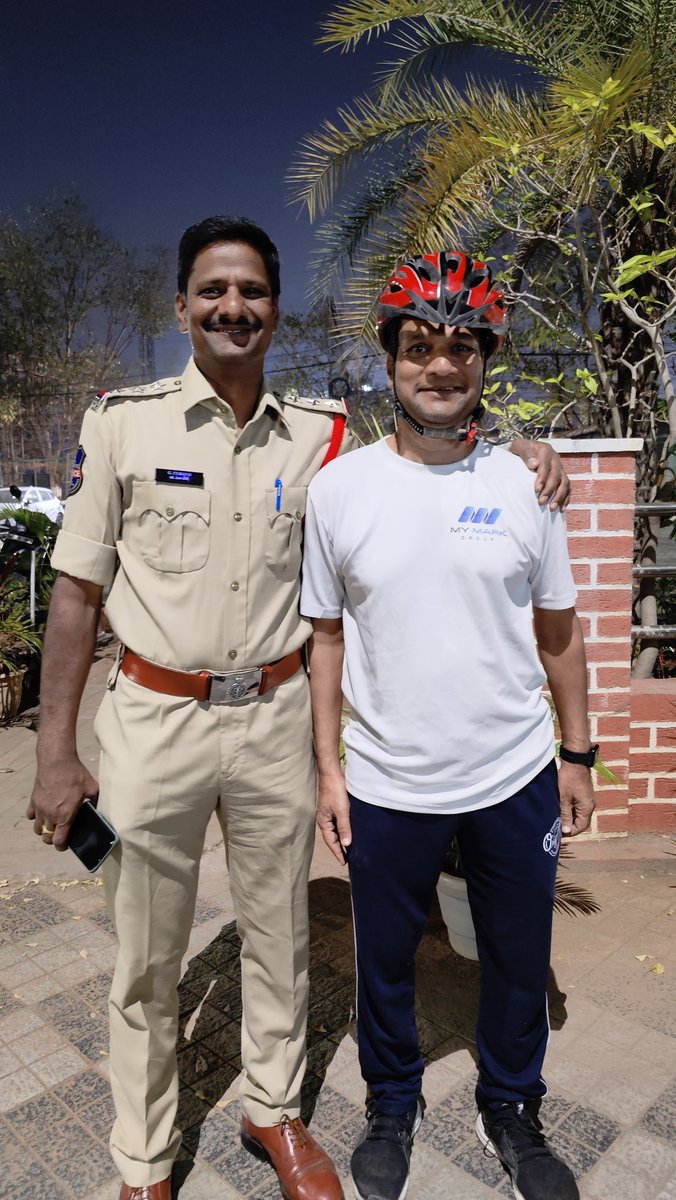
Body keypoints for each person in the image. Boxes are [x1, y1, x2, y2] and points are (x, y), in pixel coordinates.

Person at [27, 220, 570, 1200]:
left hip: (277, 722)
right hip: (150, 725)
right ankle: (145, 1162)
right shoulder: (121, 424)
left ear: (276, 310)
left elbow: (430, 441)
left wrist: (523, 450)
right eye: (213, 290)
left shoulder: (322, 438)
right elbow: (75, 596)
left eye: (252, 292)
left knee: (278, 937)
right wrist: (55, 755)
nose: (233, 307)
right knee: (146, 954)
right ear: (182, 306)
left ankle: (273, 1114)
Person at [300, 251, 596, 1200]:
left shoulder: (526, 484)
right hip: (388, 782)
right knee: (382, 961)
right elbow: (326, 645)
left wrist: (577, 752)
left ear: (484, 363)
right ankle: (393, 1100)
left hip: (513, 776)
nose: (441, 364)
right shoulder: (339, 492)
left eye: (461, 346)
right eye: (419, 345)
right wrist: (329, 774)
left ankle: (512, 1103)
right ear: (389, 359)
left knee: (518, 957)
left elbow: (558, 634)